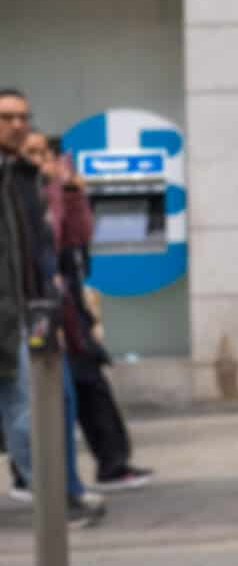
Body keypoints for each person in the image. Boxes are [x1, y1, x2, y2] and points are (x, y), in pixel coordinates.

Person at [22, 130, 151, 491]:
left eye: (46, 154)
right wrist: (55, 191)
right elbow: (47, 241)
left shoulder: (51, 192)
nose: (43, 161)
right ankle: (41, 479)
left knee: (86, 384)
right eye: (34, 154)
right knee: (46, 396)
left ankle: (110, 465)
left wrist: (72, 192)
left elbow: (78, 236)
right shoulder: (23, 194)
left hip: (66, 306)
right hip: (38, 309)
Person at [0, 86, 105, 529]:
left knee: (48, 405)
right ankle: (55, 501)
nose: (18, 125)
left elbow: (60, 242)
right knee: (27, 411)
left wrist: (69, 191)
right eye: (7, 117)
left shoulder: (25, 178)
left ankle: (61, 495)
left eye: (23, 116)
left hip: (33, 313)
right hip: (9, 316)